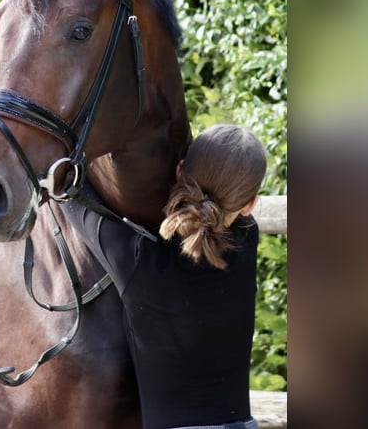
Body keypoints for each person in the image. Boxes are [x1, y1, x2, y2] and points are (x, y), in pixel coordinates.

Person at [62, 124, 267, 429]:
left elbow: (68, 192)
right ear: (250, 205)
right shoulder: (248, 241)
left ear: (180, 171)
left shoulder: (139, 261)